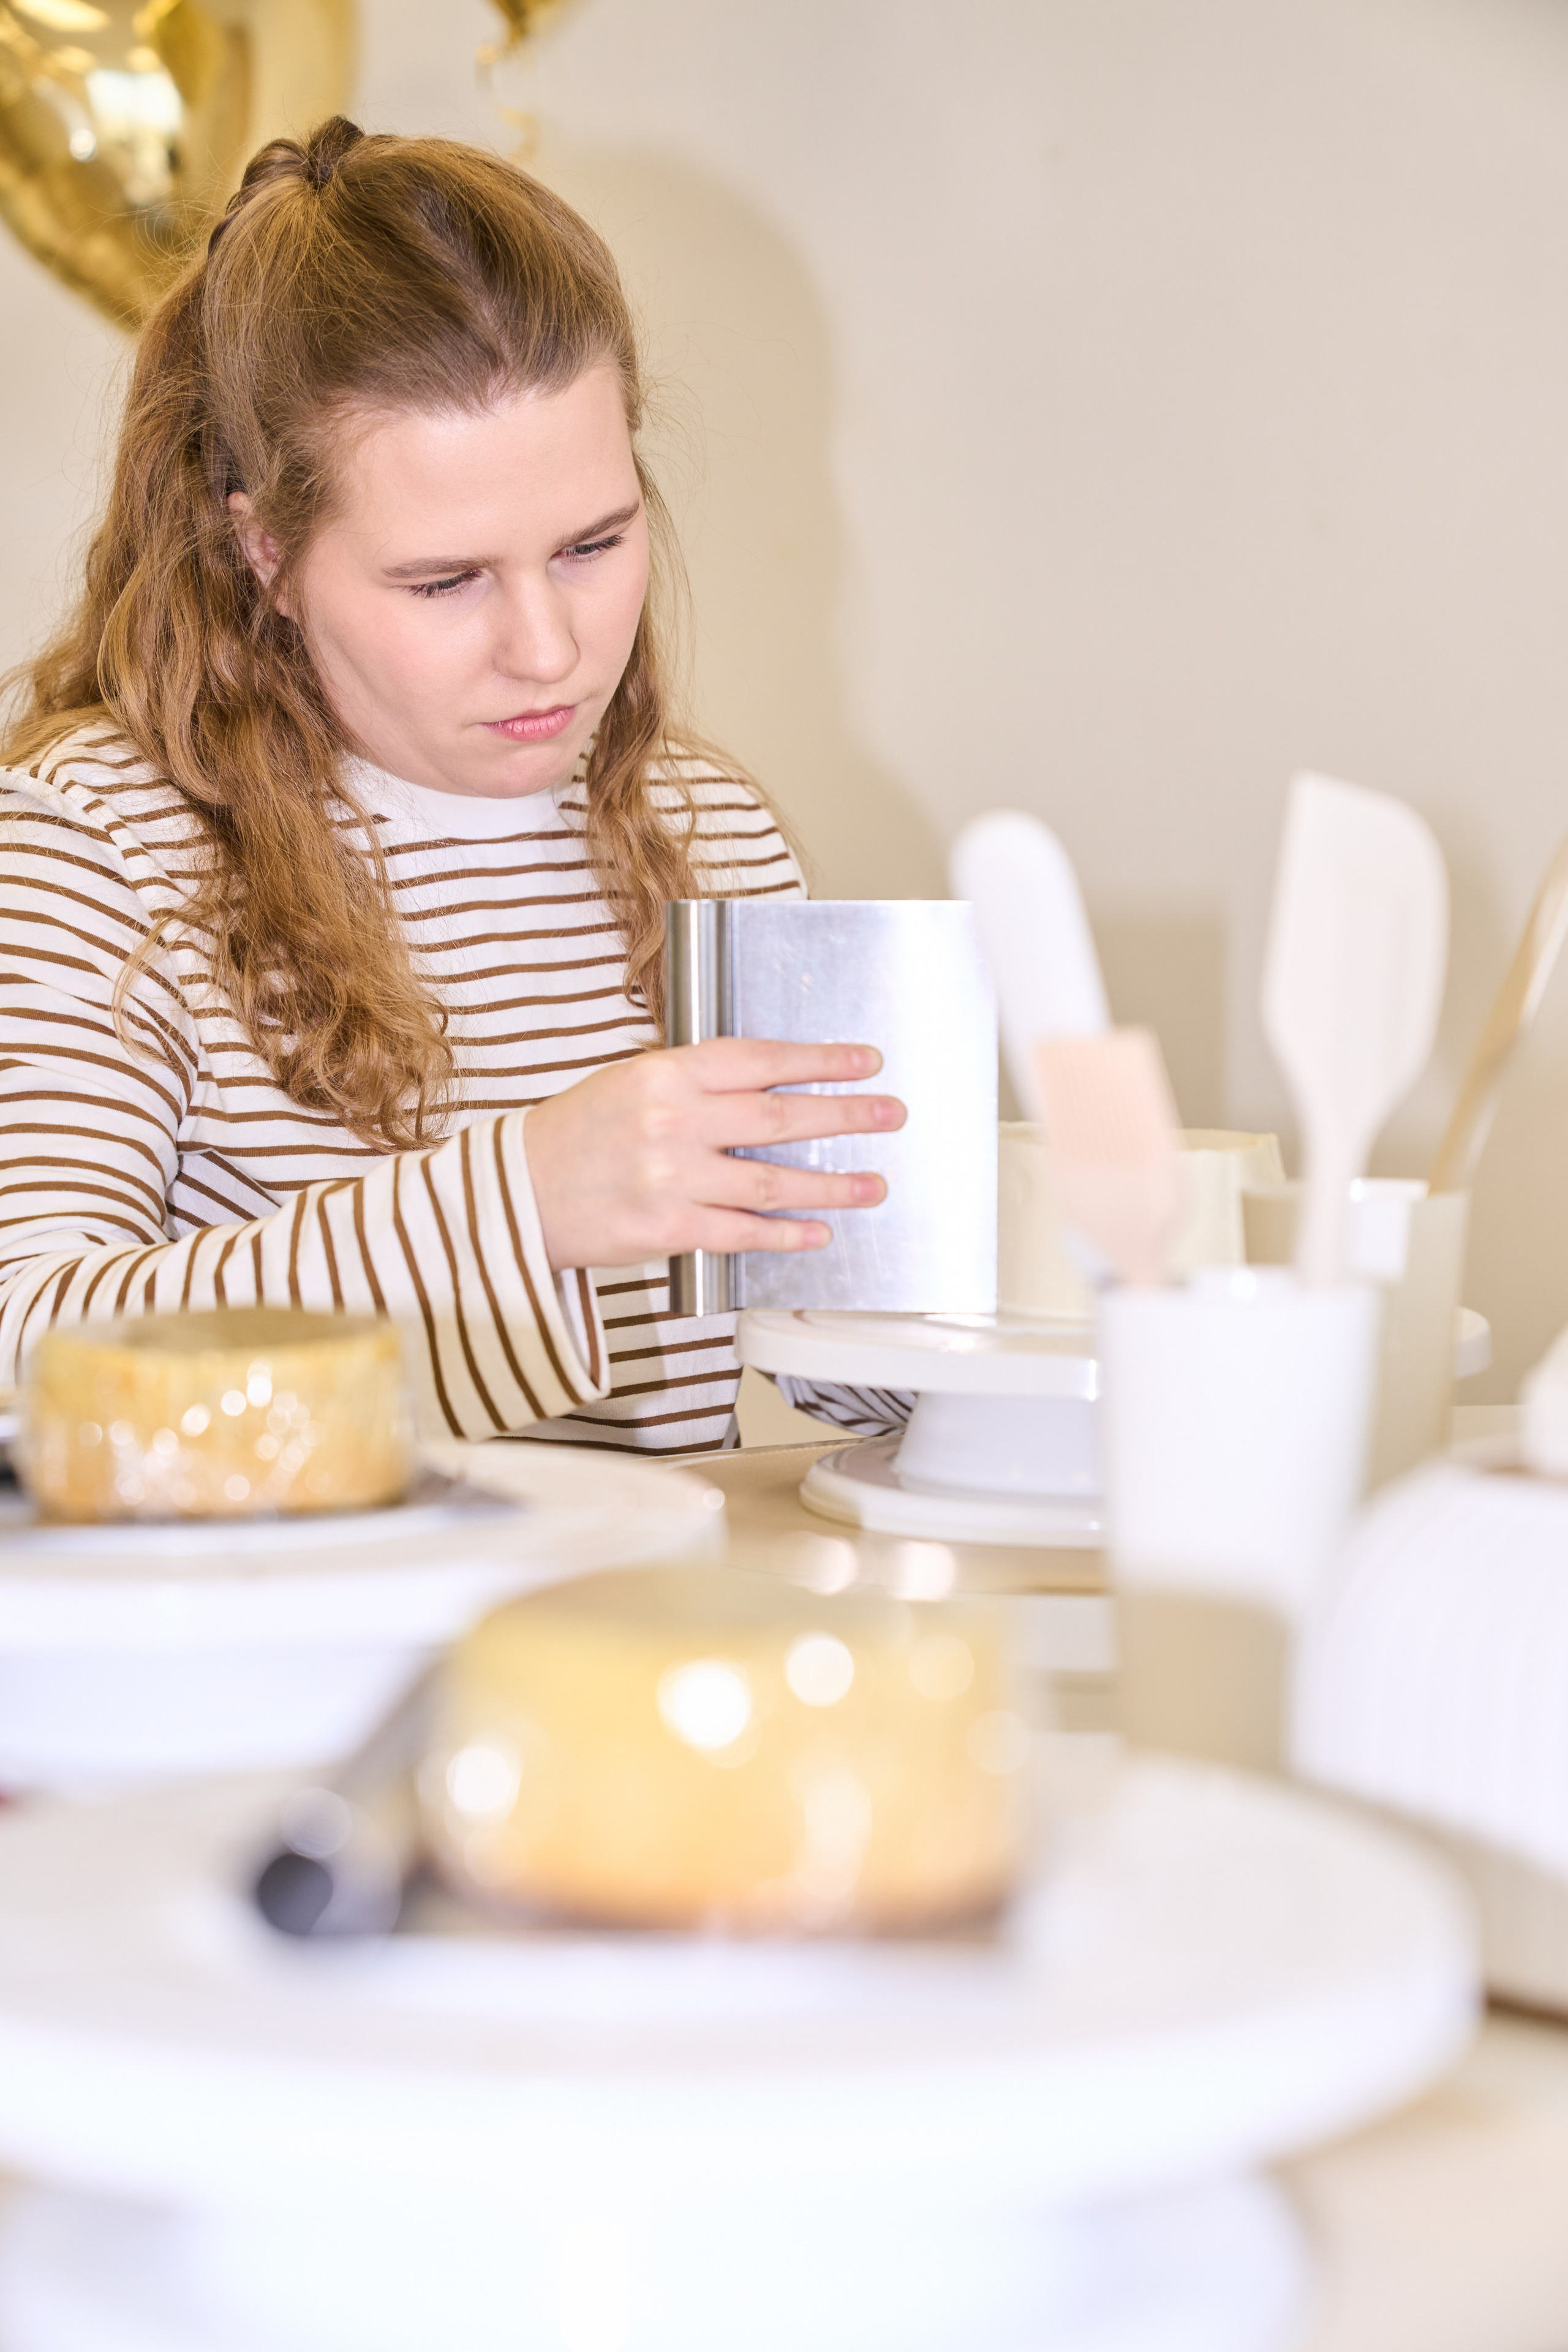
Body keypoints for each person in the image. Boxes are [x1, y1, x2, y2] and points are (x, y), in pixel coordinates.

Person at [0, 118, 908, 1454]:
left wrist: (1014, 1260)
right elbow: (31, 1357)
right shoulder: (97, 847)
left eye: (592, 544)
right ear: (264, 550)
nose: (547, 648)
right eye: (444, 581)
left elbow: (856, 1376)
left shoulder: (706, 833)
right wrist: (523, 1206)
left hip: (621, 1649)